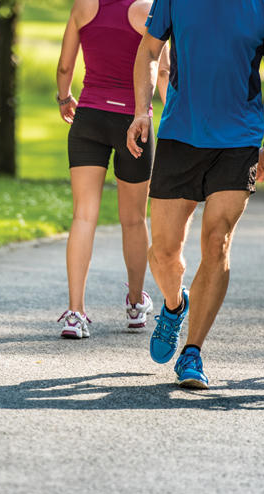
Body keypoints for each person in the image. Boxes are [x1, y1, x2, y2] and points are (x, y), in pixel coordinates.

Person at [126, 0, 264, 389]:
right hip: (180, 134)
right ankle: (175, 304)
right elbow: (150, 49)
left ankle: (192, 352)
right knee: (164, 251)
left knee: (217, 239)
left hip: (238, 140)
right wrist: (143, 110)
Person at [54, 0, 169, 339]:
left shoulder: (84, 6)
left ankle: (76, 313)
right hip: (135, 123)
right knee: (133, 219)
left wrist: (64, 98)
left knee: (83, 216)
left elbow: (64, 68)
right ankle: (135, 305)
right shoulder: (150, 10)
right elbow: (163, 71)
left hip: (88, 119)